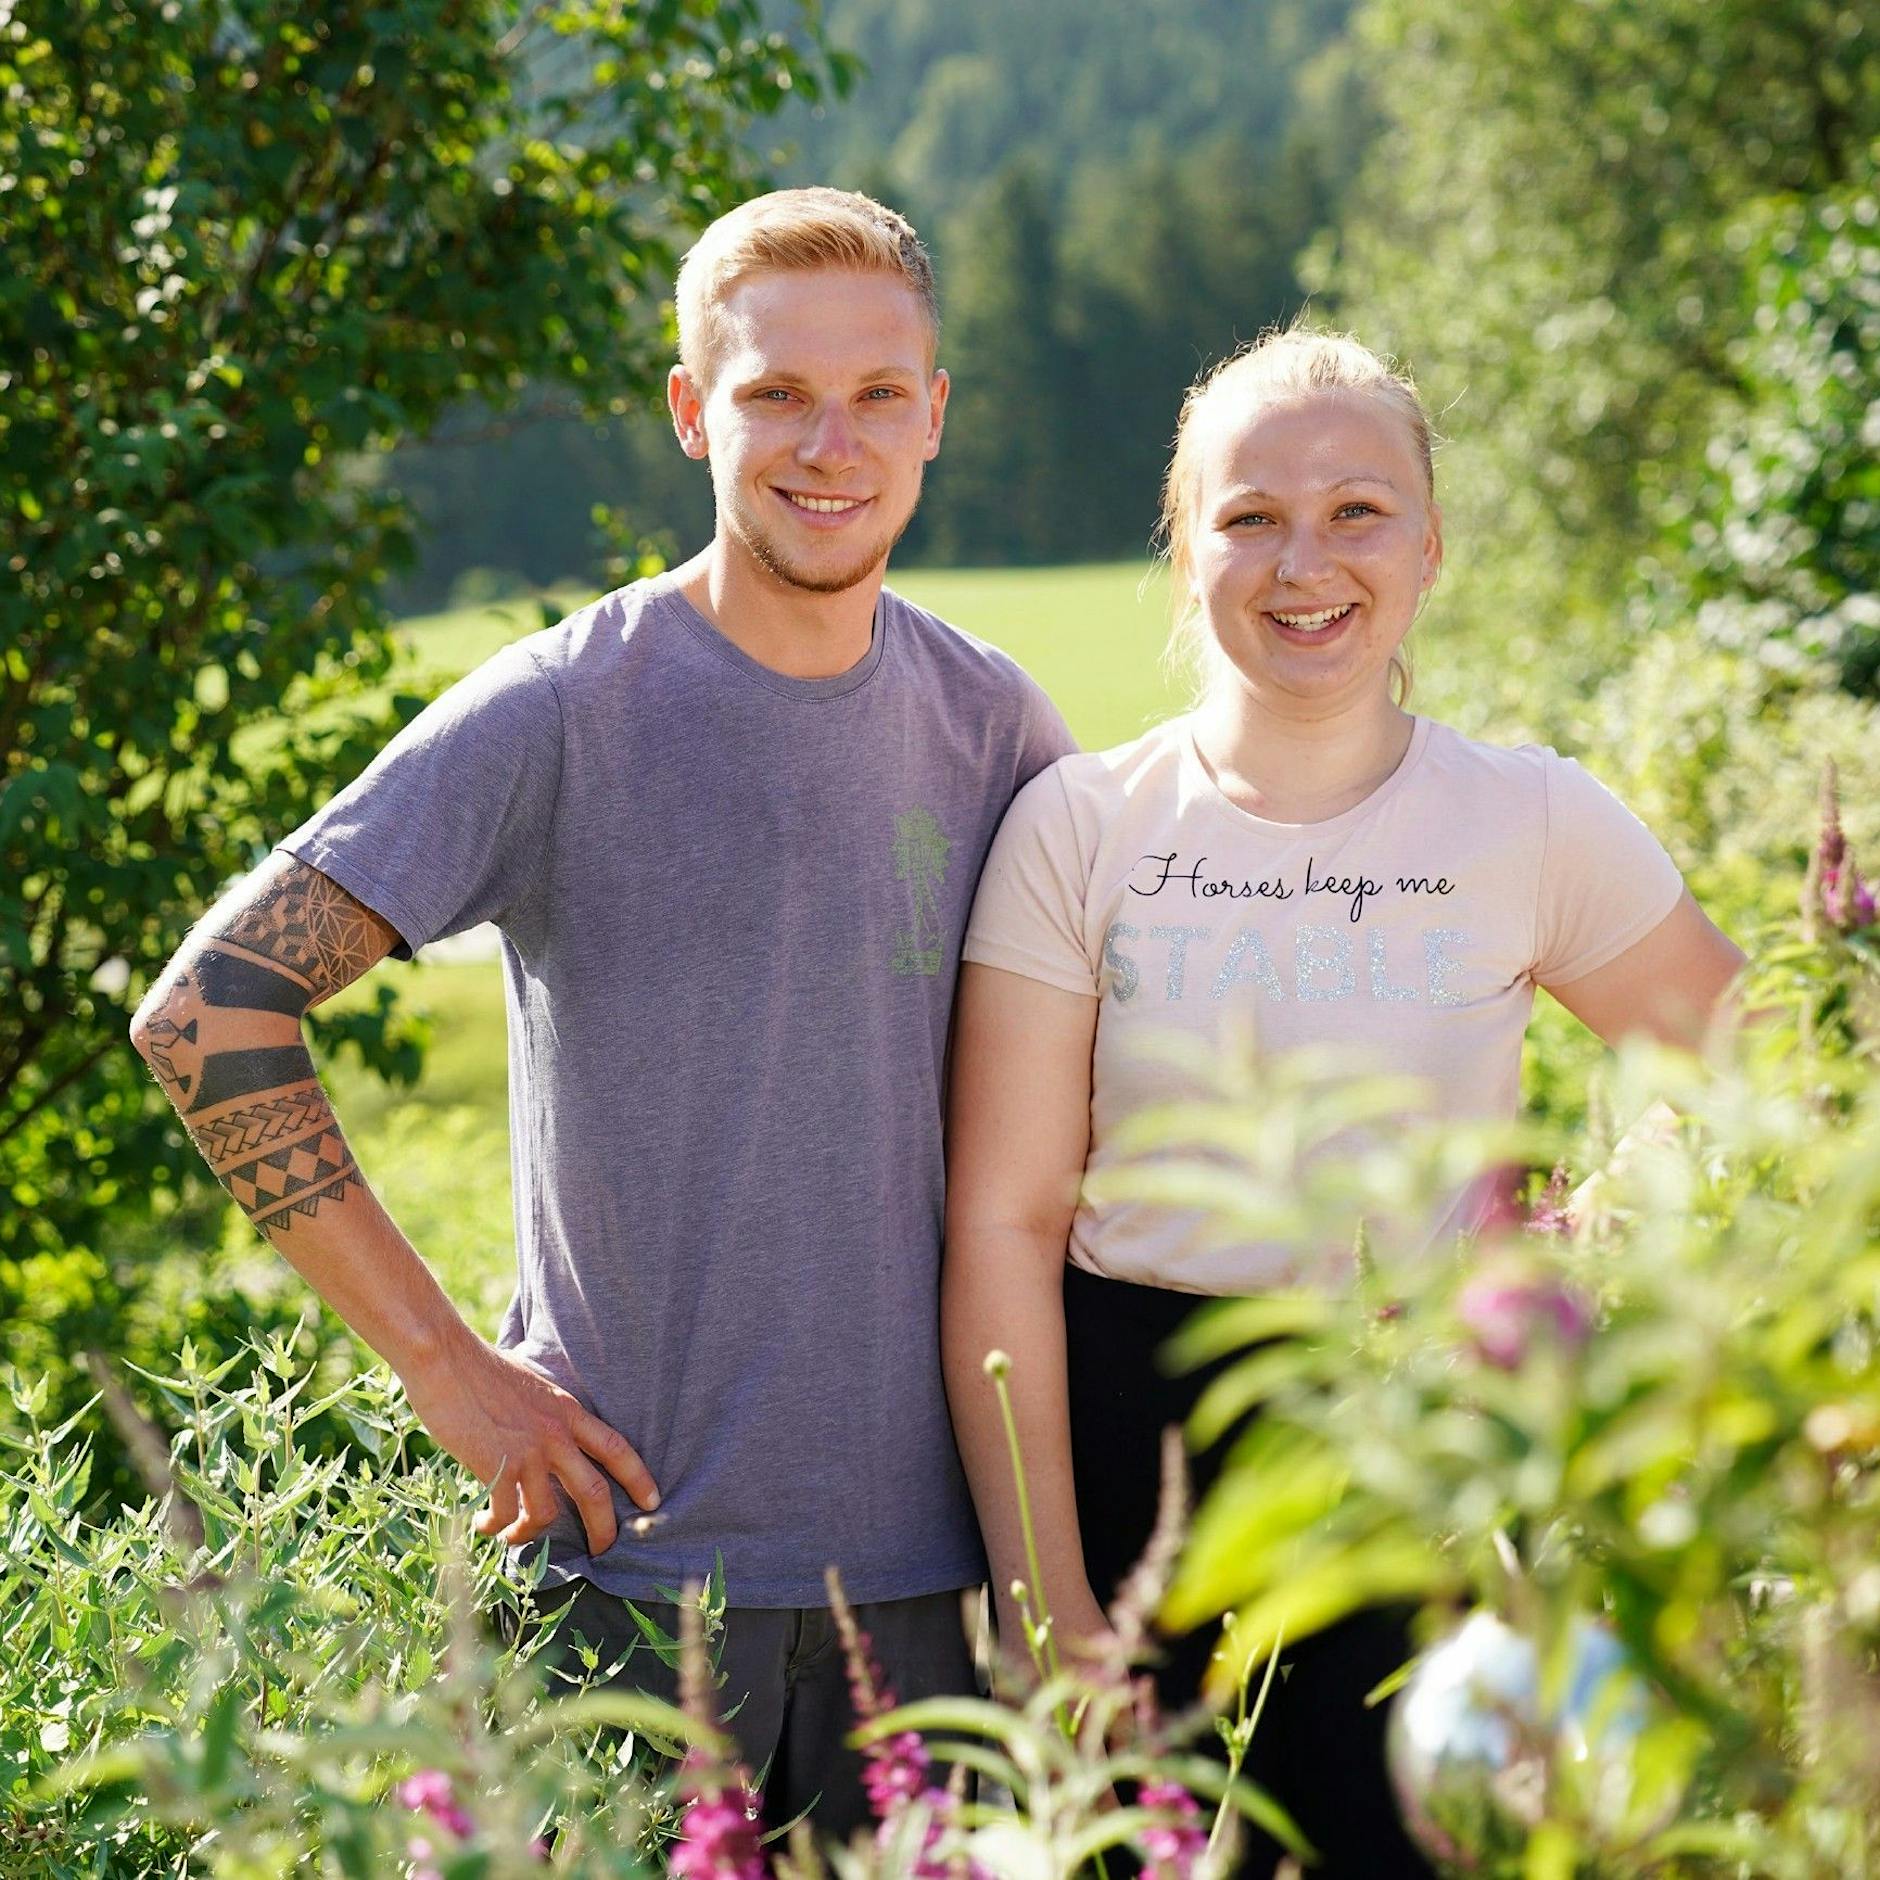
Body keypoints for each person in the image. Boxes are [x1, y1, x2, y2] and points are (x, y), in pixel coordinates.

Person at [130, 187, 1073, 1837]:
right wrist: (447, 1371)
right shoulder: (568, 707)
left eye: (874, 395)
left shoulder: (994, 725)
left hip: (938, 1602)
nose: (827, 442)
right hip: (619, 1592)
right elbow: (208, 1011)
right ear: (694, 410)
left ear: (935, 418)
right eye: (776, 390)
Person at [941, 328, 1745, 1874]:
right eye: (1248, 516)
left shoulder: (1532, 819)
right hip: (1130, 1462)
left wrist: (1586, 1251)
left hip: (1420, 1460)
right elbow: (1002, 1221)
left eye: (1358, 511)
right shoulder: (1080, 826)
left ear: (1431, 548)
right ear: (1185, 553)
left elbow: (1746, 1063)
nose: (1303, 560)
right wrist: (1044, 1616)